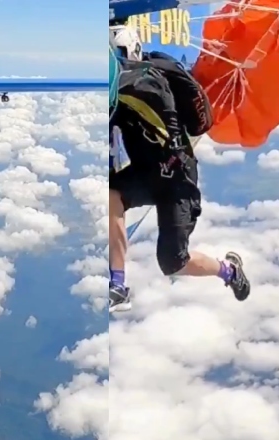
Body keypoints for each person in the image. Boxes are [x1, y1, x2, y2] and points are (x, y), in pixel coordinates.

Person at [108, 25, 251, 313]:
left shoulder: (147, 81)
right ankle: (118, 286)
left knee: (173, 262)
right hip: (150, 172)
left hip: (178, 178)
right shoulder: (127, 84)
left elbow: (140, 92)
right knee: (110, 195)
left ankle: (229, 271)